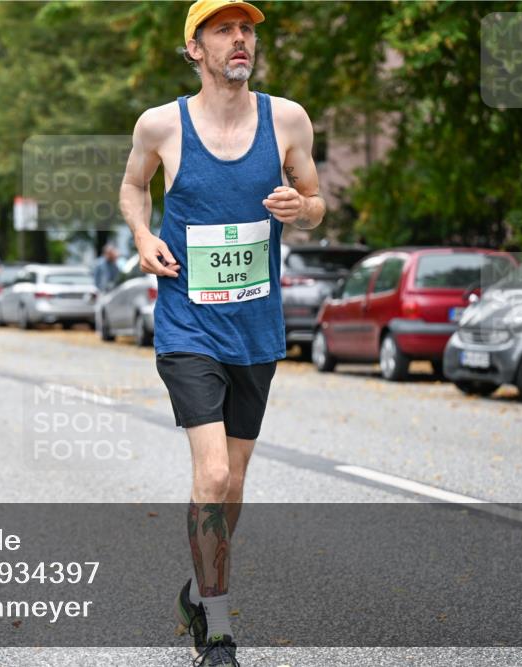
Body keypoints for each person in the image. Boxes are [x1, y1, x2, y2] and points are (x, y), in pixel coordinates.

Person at [118, 2, 325, 664]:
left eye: (248, 30)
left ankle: (196, 587)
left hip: (256, 327)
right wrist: (144, 236)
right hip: (188, 323)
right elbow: (132, 188)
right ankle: (218, 623)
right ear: (195, 49)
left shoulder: (287, 119)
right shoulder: (161, 126)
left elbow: (316, 201)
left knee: (232, 482)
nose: (240, 40)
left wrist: (304, 207)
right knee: (209, 470)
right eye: (223, 31)